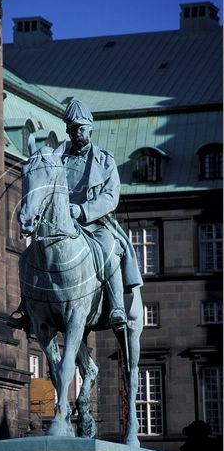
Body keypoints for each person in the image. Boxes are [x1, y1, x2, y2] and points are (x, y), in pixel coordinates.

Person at [61, 99, 142, 328]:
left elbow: (110, 197)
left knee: (108, 251)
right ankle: (28, 306)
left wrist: (82, 210)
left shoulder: (105, 159)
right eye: (72, 129)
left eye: (81, 128)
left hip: (96, 224)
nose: (77, 133)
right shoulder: (60, 160)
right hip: (64, 225)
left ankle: (116, 306)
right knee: (37, 251)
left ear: (90, 129)